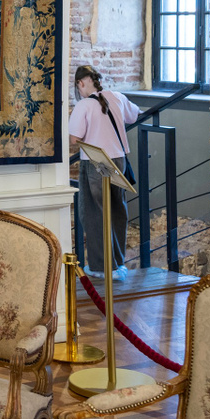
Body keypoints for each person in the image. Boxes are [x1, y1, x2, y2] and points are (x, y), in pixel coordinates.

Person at [69, 64, 140, 275]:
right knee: (117, 210)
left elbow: (74, 139)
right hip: (119, 159)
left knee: (94, 212)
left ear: (81, 83)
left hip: (96, 161)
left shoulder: (83, 105)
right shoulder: (117, 96)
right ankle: (118, 263)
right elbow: (134, 115)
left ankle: (101, 267)